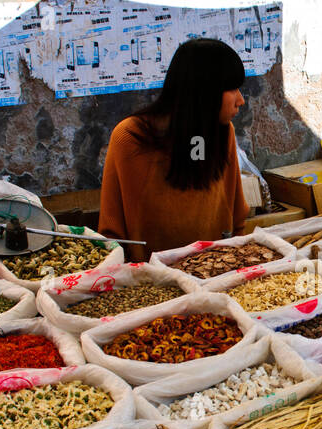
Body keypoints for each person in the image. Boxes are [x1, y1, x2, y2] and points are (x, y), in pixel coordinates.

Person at [98, 38, 249, 262]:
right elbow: (112, 237)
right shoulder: (130, 138)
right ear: (204, 91)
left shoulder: (222, 132)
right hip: (152, 282)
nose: (241, 100)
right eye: (232, 88)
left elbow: (237, 220)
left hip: (215, 270)